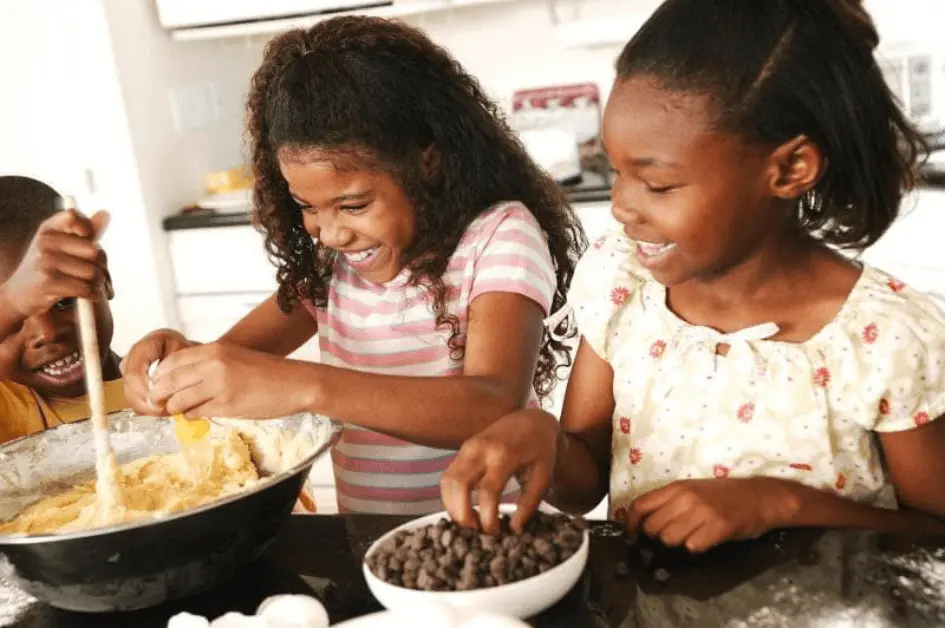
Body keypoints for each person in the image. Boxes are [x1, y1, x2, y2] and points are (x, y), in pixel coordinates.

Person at [440, 0, 945, 550]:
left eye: (658, 185)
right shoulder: (621, 282)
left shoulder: (885, 338)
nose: (622, 206)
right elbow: (583, 487)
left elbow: (935, 534)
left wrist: (781, 504)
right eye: (617, 172)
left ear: (790, 169)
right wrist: (547, 442)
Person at [121, 16, 586, 514]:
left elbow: (491, 404)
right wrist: (173, 365)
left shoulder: (498, 237)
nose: (332, 232)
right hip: (366, 543)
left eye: (354, 205)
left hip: (490, 536)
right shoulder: (332, 269)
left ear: (426, 162)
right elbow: (231, 360)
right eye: (307, 206)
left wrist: (303, 386)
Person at [0, 175, 122, 444]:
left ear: (105, 279)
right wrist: (10, 301)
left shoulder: (160, 388)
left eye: (65, 301)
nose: (48, 332)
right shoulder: (7, 413)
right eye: (15, 321)